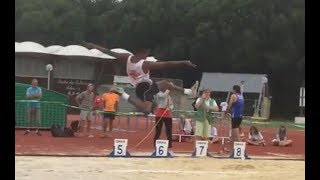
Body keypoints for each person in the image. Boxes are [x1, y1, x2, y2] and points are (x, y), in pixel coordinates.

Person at [81, 42, 198, 114]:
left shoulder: (126, 57)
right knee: (146, 110)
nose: (147, 55)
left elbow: (108, 52)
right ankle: (123, 94)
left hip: (142, 87)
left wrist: (93, 46)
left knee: (166, 84)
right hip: (146, 88)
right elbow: (167, 64)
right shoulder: (145, 64)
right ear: (143, 52)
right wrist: (184, 62)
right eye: (147, 53)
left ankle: (187, 91)